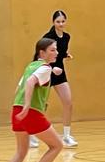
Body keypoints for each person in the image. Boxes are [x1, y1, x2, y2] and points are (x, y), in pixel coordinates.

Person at [2, 37, 66, 162]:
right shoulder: (44, 68)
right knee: (57, 145)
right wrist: (27, 105)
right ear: (42, 53)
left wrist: (53, 71)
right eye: (52, 50)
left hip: (16, 110)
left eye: (56, 50)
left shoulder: (31, 66)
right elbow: (31, 82)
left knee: (21, 151)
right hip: (30, 112)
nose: (56, 53)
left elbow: (19, 88)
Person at [30, 9, 77, 149]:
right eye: (58, 21)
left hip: (60, 72)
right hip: (47, 71)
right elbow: (41, 55)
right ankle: (32, 134)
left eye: (63, 21)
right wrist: (45, 69)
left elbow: (60, 52)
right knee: (41, 105)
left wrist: (66, 55)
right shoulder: (48, 37)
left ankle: (66, 136)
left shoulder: (67, 37)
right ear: (53, 22)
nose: (61, 24)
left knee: (68, 102)